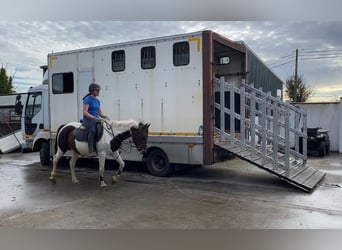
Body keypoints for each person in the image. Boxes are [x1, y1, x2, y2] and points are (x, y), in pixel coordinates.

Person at [82, 82, 108, 155]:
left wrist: (104, 116)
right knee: (93, 131)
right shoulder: (87, 99)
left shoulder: (97, 100)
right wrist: (93, 118)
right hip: (88, 120)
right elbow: (85, 112)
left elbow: (99, 113)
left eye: (98, 90)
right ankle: (91, 150)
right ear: (92, 91)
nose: (99, 92)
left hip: (96, 120)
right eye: (97, 90)